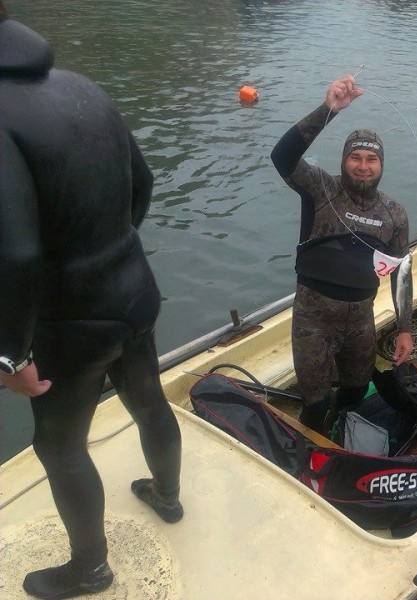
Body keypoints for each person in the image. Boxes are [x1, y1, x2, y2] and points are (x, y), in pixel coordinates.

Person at [0, 5, 183, 598]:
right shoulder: (82, 88)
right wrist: (110, 252)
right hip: (134, 289)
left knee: (58, 445)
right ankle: (168, 496)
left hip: (72, 319)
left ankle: (89, 569)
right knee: (148, 399)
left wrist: (11, 353)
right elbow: (143, 183)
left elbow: (17, 254)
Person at [271, 75, 413, 435]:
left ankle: (339, 428)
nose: (363, 165)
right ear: (344, 160)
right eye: (355, 157)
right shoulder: (321, 189)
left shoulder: (394, 213)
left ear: (381, 165)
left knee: (354, 393)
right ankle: (310, 451)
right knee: (315, 405)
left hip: (361, 323)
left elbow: (401, 273)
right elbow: (282, 157)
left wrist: (405, 329)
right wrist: (328, 110)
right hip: (313, 322)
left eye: (371, 159)